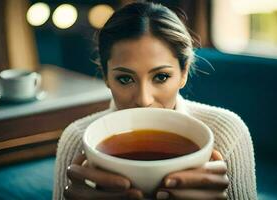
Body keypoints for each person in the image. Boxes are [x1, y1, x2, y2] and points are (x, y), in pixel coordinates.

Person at [53, 2, 257, 200]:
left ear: (184, 73)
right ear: (106, 77)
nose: (143, 99)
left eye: (161, 77)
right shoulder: (76, 139)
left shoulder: (228, 134)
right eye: (125, 79)